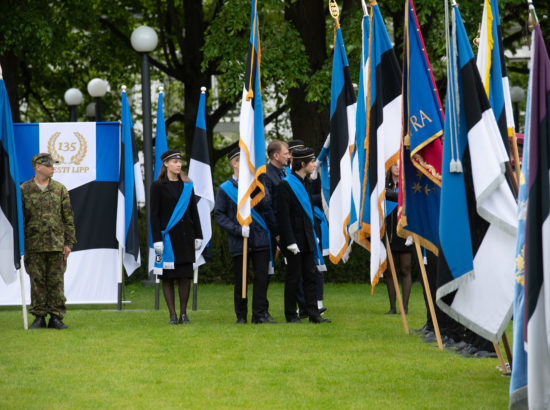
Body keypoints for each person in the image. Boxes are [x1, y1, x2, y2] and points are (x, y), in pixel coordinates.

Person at [214, 147, 274, 324]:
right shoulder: (225, 189)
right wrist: (237, 229)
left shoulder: (256, 184)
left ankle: (259, 314)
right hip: (240, 241)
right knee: (241, 280)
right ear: (235, 163)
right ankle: (241, 316)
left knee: (262, 278)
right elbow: (219, 215)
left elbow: (267, 204)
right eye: (243, 160)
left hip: (260, 238)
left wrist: (258, 185)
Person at [21, 153, 76, 330]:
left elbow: (68, 218)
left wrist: (68, 243)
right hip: (33, 244)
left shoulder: (60, 189)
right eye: (49, 165)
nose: (53, 167)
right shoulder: (24, 190)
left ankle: (56, 317)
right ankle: (39, 317)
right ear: (38, 167)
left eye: (53, 165)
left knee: (56, 282)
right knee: (36, 281)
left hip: (56, 244)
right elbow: (20, 220)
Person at [277, 147, 330, 323]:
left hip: (307, 238)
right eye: (312, 161)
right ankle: (291, 314)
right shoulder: (285, 185)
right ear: (302, 164)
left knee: (311, 276)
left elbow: (308, 213)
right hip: (293, 241)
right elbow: (283, 217)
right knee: (293, 278)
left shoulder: (306, 183)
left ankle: (313, 313)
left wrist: (314, 234)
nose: (314, 164)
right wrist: (290, 241)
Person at [151, 150, 203, 325]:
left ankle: (183, 314)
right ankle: (172, 315)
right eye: (174, 162)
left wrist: (199, 235)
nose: (178, 165)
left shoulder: (187, 185)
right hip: (167, 239)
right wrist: (156, 239)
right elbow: (154, 215)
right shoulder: (158, 186)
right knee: (167, 277)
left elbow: (193, 212)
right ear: (165, 164)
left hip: (186, 236)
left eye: (180, 162)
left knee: (184, 276)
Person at [263, 140, 290, 322]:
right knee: (266, 272)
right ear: (276, 155)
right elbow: (267, 206)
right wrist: (277, 232)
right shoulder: (266, 175)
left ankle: (300, 308)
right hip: (271, 232)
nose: (289, 155)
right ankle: (262, 311)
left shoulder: (283, 173)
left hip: (285, 228)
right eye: (286, 152)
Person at [384, 162, 412, 315]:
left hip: (404, 233)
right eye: (393, 165)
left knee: (405, 269)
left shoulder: (407, 184)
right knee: (389, 271)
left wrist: (386, 194)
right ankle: (393, 307)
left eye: (399, 164)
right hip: (388, 232)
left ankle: (405, 307)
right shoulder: (383, 183)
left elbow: (402, 198)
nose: (396, 167)